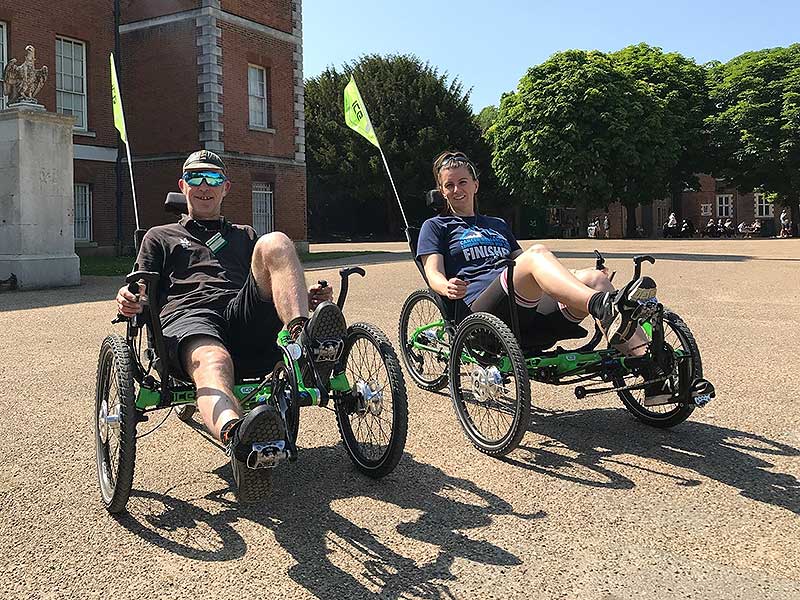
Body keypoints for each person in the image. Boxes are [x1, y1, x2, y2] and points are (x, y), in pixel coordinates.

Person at [115, 150, 347, 499]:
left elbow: (270, 279)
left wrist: (308, 296)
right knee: (215, 361)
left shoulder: (244, 234)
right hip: (190, 317)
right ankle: (238, 436)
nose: (204, 186)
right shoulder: (159, 236)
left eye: (212, 179)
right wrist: (130, 297)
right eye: (195, 178)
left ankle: (303, 343)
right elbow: (140, 286)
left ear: (226, 187)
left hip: (242, 317)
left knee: (276, 242)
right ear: (182, 186)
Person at [416, 150, 669, 405]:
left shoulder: (497, 224)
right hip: (482, 312)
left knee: (595, 280)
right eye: (449, 185)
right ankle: (602, 305)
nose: (457, 189)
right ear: (442, 191)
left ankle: (653, 374)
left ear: (475, 185)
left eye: (462, 182)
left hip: (523, 309)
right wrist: (446, 286)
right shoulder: (436, 226)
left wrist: (575, 276)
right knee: (537, 253)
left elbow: (529, 266)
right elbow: (432, 272)